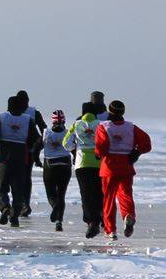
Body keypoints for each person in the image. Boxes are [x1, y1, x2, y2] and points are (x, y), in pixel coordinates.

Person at [95, 100, 152, 240]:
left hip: (109, 167)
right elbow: (146, 143)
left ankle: (110, 230)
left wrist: (98, 154)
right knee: (125, 195)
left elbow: (100, 147)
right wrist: (137, 152)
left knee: (108, 199)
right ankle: (128, 215)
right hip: (126, 166)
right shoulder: (131, 128)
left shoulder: (104, 127)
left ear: (110, 112)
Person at [0, 96, 40, 227]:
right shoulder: (28, 120)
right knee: (18, 189)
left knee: (0, 187)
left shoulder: (1, 118)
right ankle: (14, 216)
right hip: (20, 157)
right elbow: (36, 138)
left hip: (3, 157)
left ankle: (5, 208)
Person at [63, 102, 104, 238]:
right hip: (99, 163)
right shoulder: (101, 124)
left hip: (82, 164)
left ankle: (91, 222)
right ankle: (100, 218)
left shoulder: (77, 124)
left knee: (86, 194)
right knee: (99, 192)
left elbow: (66, 143)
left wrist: (75, 149)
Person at [33, 110, 72, 231]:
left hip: (50, 166)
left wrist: (37, 161)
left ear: (52, 121)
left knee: (51, 193)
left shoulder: (46, 133)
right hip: (65, 164)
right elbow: (74, 148)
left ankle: (54, 205)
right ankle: (59, 222)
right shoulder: (68, 133)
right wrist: (75, 158)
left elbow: (36, 149)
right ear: (64, 120)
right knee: (61, 194)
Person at [16, 90, 46, 217]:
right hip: (28, 149)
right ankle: (24, 204)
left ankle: (23, 204)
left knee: (18, 177)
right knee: (25, 177)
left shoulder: (12, 113)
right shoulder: (34, 113)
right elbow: (44, 129)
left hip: (20, 149)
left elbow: (44, 130)